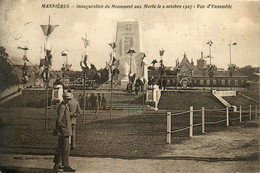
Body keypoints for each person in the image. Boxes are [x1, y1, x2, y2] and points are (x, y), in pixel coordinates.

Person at [53, 92, 75, 172]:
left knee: (61, 148)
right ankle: (66, 166)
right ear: (64, 99)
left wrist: (71, 115)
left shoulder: (65, 106)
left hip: (65, 130)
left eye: (70, 99)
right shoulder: (62, 107)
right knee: (65, 149)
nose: (69, 101)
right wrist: (58, 129)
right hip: (64, 131)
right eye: (68, 99)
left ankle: (56, 165)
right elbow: (59, 119)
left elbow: (66, 116)